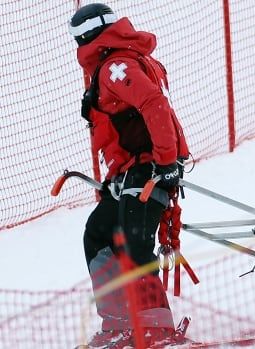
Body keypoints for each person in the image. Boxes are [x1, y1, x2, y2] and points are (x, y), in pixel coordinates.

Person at [69, 3, 190, 347]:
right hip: (133, 169)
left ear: (88, 35)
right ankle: (120, 321)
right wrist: (118, 172)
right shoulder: (124, 61)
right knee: (99, 232)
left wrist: (165, 162)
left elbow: (154, 104)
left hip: (150, 166)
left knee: (134, 240)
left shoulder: (116, 66)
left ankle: (155, 327)